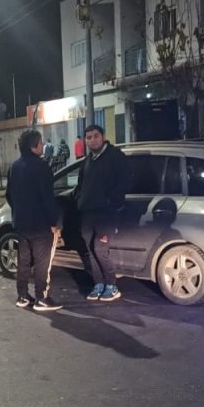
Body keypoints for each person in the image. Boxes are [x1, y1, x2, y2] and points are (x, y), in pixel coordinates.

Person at [5, 129, 63, 312]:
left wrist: (19, 211)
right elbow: (48, 197)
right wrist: (54, 221)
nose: (43, 145)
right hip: (41, 225)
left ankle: (22, 296)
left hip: (21, 224)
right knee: (42, 262)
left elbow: (9, 195)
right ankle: (42, 298)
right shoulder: (41, 166)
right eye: (41, 142)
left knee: (24, 261)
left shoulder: (14, 167)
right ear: (34, 146)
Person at [75, 124, 132, 302]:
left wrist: (112, 202)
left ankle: (112, 285)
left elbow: (126, 181)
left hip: (106, 214)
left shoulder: (115, 156)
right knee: (90, 249)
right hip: (87, 213)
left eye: (95, 136)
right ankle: (98, 283)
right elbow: (80, 185)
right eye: (89, 137)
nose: (92, 140)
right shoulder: (87, 161)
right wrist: (79, 200)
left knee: (100, 249)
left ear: (103, 136)